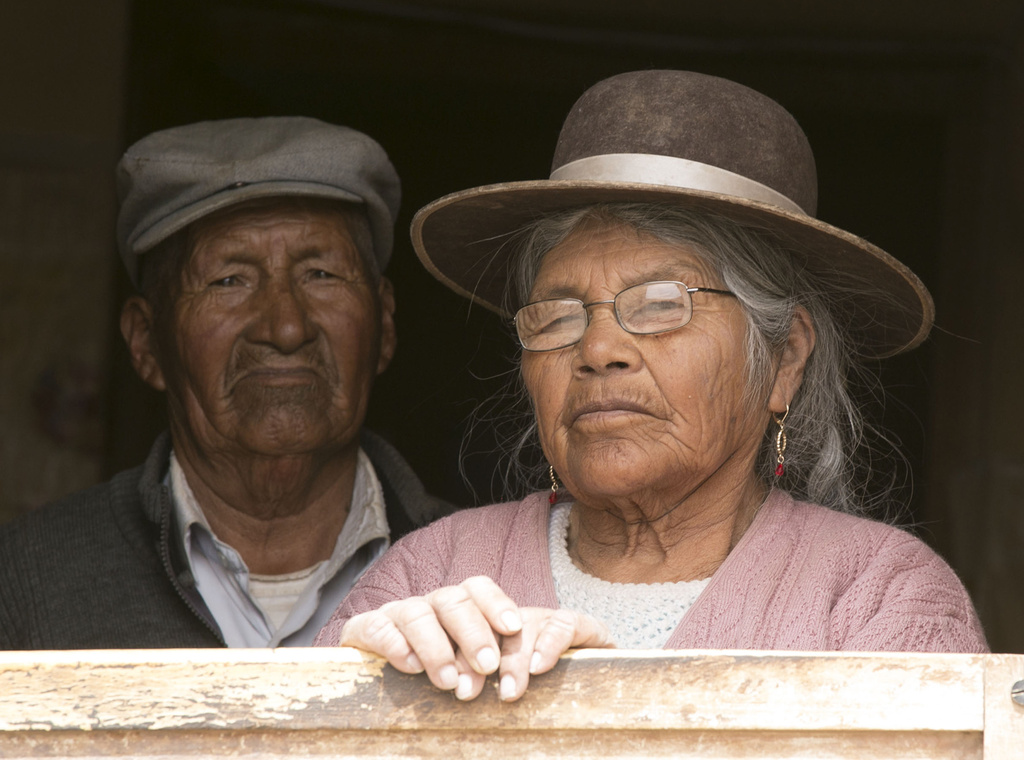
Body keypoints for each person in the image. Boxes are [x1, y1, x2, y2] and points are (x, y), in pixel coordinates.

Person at [314, 71, 987, 700]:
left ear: (783, 359)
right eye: (557, 315)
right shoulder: (433, 571)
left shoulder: (879, 596)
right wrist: (357, 692)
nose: (599, 350)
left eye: (663, 305)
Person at [0, 117, 452, 649]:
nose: (286, 327)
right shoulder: (27, 581)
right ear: (146, 343)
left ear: (385, 324)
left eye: (321, 274)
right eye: (228, 280)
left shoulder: (484, 568)